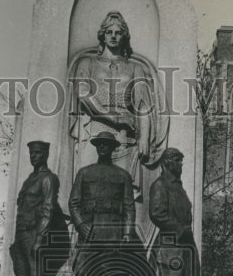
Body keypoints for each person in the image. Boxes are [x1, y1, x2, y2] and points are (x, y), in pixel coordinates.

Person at [68, 11, 168, 209]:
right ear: (102, 35)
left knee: (123, 195)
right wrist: (112, 119)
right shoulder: (87, 64)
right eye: (109, 32)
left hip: (126, 138)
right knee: (88, 188)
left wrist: (144, 138)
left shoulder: (135, 68)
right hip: (94, 132)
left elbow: (143, 106)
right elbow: (84, 95)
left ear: (124, 36)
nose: (113, 36)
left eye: (118, 32)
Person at [68, 131, 142, 276]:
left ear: (112, 148)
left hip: (113, 232)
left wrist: (127, 233)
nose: (102, 147)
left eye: (106, 145)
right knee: (82, 273)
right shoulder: (84, 173)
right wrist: (81, 225)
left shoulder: (123, 176)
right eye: (99, 144)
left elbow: (129, 207)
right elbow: (74, 203)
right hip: (89, 232)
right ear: (96, 147)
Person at [6, 141, 68, 276]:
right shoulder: (28, 180)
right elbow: (21, 211)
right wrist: (16, 242)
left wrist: (40, 238)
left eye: (37, 153)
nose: (33, 156)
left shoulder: (49, 178)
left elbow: (48, 208)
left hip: (36, 235)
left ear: (46, 155)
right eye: (31, 153)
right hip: (22, 237)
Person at [147, 147, 198, 276]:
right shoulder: (161, 185)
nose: (181, 165)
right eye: (178, 161)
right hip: (169, 246)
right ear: (168, 162)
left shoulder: (178, 187)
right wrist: (179, 229)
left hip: (183, 247)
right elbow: (157, 213)